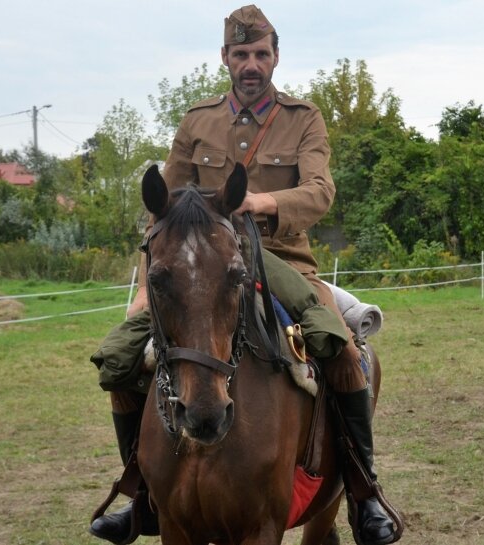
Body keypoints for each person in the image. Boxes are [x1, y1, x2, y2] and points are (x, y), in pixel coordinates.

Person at [90, 5, 402, 545]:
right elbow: (161, 210)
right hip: (204, 262)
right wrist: (146, 283)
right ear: (226, 59)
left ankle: (363, 492)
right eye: (241, 54)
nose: (251, 64)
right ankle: (142, 494)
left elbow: (321, 191)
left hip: (281, 259)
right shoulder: (197, 121)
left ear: (275, 57)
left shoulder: (304, 118)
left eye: (261, 53)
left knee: (341, 348)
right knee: (121, 359)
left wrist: (264, 201)